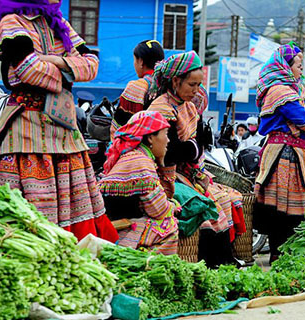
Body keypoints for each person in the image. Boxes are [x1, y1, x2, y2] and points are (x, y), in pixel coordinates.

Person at [0, 0, 118, 242]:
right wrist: (68, 70)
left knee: (77, 208)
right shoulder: (10, 22)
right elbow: (28, 69)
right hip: (27, 130)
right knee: (30, 215)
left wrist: (50, 61)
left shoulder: (58, 22)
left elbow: (92, 65)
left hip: (65, 130)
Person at [148, 51, 240, 267]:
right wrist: (193, 149)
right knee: (205, 206)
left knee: (224, 199)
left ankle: (223, 262)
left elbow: (193, 147)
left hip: (186, 172)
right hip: (164, 175)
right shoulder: (161, 108)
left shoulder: (189, 107)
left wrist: (193, 151)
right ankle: (210, 264)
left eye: (199, 85)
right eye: (192, 85)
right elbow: (170, 152)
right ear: (176, 81)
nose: (196, 91)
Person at [253, 44, 305, 263]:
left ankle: (284, 252)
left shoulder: (295, 90)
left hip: (294, 153)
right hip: (284, 154)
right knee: (281, 206)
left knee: (292, 206)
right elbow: (304, 119)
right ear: (286, 67)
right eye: (299, 66)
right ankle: (277, 252)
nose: (301, 71)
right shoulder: (279, 90)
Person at [99, 111, 179, 254]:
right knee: (168, 225)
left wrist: (160, 163)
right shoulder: (141, 162)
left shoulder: (136, 157)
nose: (168, 140)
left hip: (122, 219)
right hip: (123, 226)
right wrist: (172, 206)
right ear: (150, 138)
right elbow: (159, 210)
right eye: (165, 134)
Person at [110, 40, 164, 139]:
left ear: (141, 62)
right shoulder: (168, 84)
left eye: (134, 60)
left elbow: (119, 127)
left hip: (141, 149)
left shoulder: (137, 87)